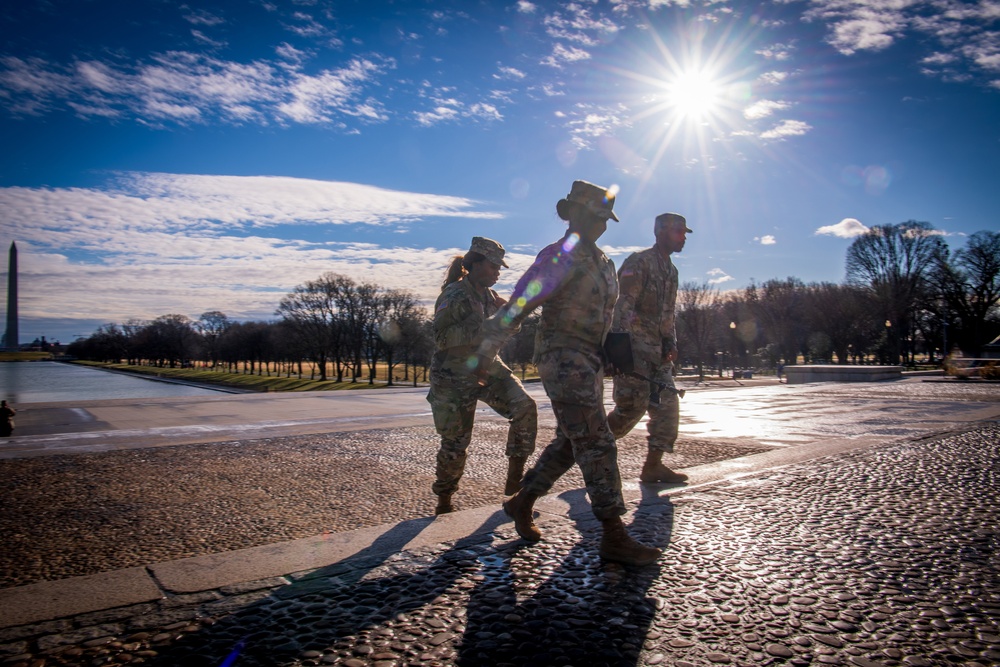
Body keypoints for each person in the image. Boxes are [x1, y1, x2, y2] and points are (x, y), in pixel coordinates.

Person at [477, 180, 661, 567]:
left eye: (606, 219)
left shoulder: (602, 260)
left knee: (571, 440)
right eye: (596, 217)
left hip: (590, 360)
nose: (603, 225)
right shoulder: (558, 257)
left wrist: (614, 349)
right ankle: (613, 533)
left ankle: (522, 501)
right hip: (563, 358)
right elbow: (518, 305)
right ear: (571, 214)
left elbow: (608, 315)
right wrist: (483, 355)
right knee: (597, 440)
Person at [428, 236, 537, 515]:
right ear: (474, 264)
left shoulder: (489, 297)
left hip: (487, 368)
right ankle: (444, 500)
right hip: (453, 377)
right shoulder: (455, 294)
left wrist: (513, 315)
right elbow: (440, 336)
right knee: (455, 443)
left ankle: (515, 487)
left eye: (500, 267)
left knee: (525, 407)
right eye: (493, 266)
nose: (498, 272)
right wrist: (488, 328)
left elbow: (507, 328)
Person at [606, 212, 692, 484]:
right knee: (629, 410)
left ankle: (653, 466)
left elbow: (669, 313)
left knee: (667, 407)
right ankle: (587, 448)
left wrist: (671, 342)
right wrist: (617, 349)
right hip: (633, 351)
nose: (683, 239)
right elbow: (621, 305)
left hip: (658, 354)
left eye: (684, 234)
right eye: (679, 232)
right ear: (661, 232)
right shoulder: (639, 262)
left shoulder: (672, 271)